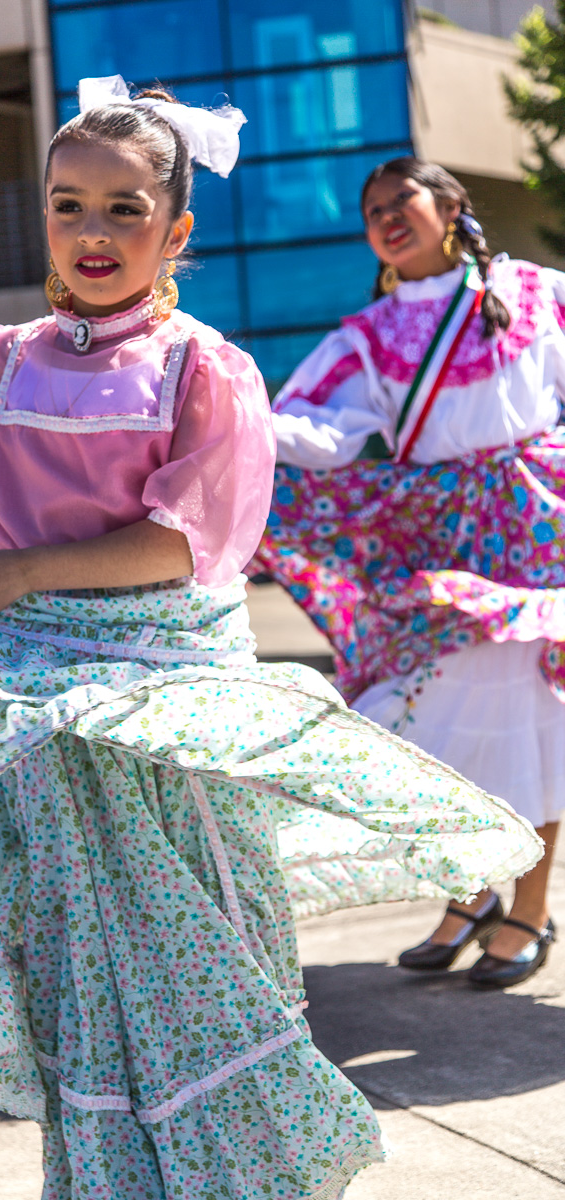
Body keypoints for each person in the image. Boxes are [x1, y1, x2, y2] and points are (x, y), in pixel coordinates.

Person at [0, 97, 539, 1199]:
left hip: (158, 680)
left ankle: (249, 1169)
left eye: (124, 209)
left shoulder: (203, 370)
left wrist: (17, 570)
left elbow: (182, 546)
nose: (93, 230)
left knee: (190, 935)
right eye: (68, 205)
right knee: (79, 955)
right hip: (32, 689)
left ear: (174, 233)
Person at [255, 155, 563, 991]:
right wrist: (224, 406)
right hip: (439, 535)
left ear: (453, 206)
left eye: (404, 200)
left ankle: (530, 908)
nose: (389, 216)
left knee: (528, 719)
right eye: (373, 209)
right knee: (443, 736)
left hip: (538, 524)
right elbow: (315, 433)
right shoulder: (366, 334)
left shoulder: (536, 290)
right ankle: (468, 898)